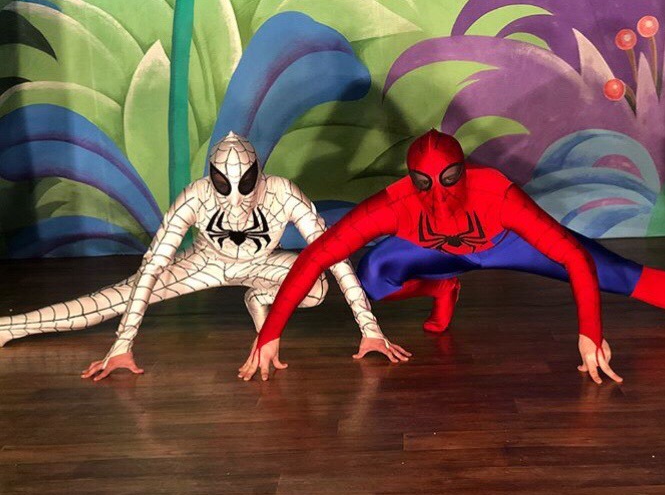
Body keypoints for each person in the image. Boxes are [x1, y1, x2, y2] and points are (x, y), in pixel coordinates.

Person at [240, 129, 665, 383]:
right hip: (430, 254)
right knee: (370, 277)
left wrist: (590, 332)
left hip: (510, 246)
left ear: (464, 171)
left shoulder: (499, 194)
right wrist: (270, 333)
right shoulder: (391, 206)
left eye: (449, 179)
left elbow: (572, 258)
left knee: (618, 274)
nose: (438, 194)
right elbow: (316, 257)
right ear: (410, 182)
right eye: (424, 184)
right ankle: (442, 286)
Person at [0, 132, 410, 380]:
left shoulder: (283, 192)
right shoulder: (195, 196)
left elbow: (332, 254)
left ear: (259, 175)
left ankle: (259, 297)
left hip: (265, 267)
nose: (235, 201)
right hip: (202, 264)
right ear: (211, 180)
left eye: (245, 185)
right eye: (223, 186)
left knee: (316, 288)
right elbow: (152, 266)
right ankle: (9, 327)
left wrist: (369, 328)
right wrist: (123, 344)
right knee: (115, 298)